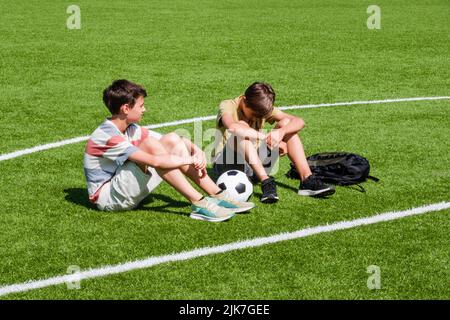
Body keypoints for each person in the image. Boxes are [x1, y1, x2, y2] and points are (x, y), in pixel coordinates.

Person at [83, 79, 255, 222]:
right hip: (109, 199)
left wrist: (196, 150)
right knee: (151, 145)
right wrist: (189, 160)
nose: (145, 109)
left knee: (171, 139)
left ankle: (218, 195)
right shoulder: (106, 136)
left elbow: (172, 140)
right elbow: (156, 161)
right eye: (141, 105)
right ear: (126, 109)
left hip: (124, 188)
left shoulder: (129, 127)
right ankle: (199, 202)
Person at [212, 82, 335, 203]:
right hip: (226, 165)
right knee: (241, 129)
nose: (257, 118)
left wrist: (280, 133)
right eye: (255, 114)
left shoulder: (261, 108)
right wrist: (268, 138)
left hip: (254, 165)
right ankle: (266, 182)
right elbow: (233, 127)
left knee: (286, 124)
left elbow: (299, 121)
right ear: (244, 100)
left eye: (261, 116)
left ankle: (307, 180)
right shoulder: (228, 105)